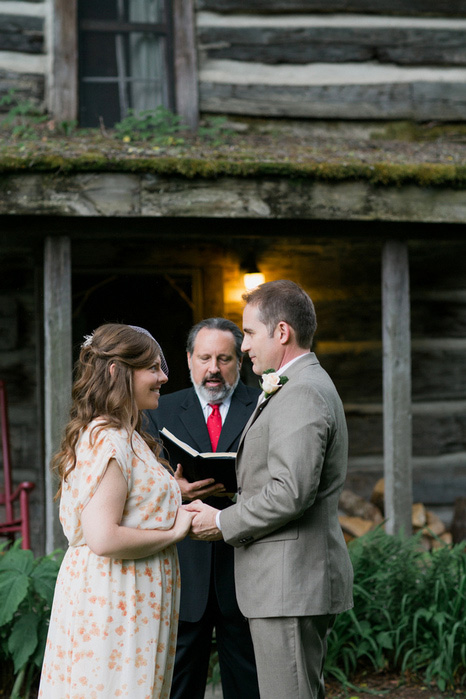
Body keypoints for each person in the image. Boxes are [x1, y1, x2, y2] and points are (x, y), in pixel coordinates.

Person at [186, 281, 354, 699]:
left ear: (281, 332)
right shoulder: (295, 385)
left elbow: (290, 492)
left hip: (290, 584)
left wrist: (222, 520)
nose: (244, 346)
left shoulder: (301, 393)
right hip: (284, 584)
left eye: (249, 333)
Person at [39, 323, 194, 699]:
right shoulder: (107, 438)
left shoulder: (128, 434)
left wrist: (176, 491)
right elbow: (103, 536)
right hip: (114, 601)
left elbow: (129, 500)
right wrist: (174, 532)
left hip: (134, 600)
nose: (164, 377)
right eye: (153, 368)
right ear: (116, 371)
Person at [144, 318, 261, 699]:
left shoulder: (263, 405)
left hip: (244, 566)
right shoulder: (158, 409)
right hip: (183, 568)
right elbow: (140, 485)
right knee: (177, 686)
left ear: (238, 363)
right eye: (205, 357)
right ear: (189, 359)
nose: (214, 369)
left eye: (224, 359)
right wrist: (174, 491)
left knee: (249, 683)